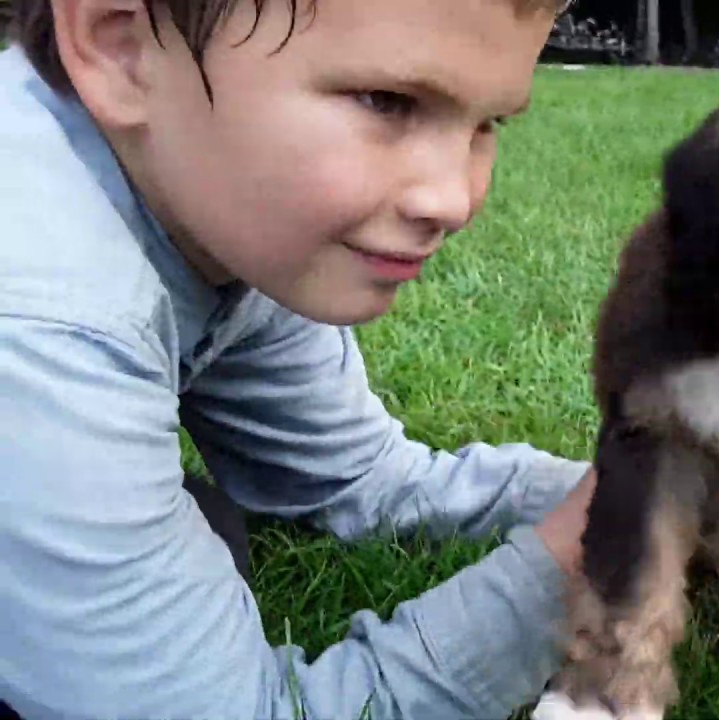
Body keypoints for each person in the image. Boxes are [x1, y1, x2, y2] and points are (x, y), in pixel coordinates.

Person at [0, 1, 601, 718]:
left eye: (486, 125)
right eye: (388, 102)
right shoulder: (43, 312)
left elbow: (363, 481)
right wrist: (609, 549)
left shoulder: (230, 228)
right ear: (122, 49)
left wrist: (644, 487)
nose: (454, 198)